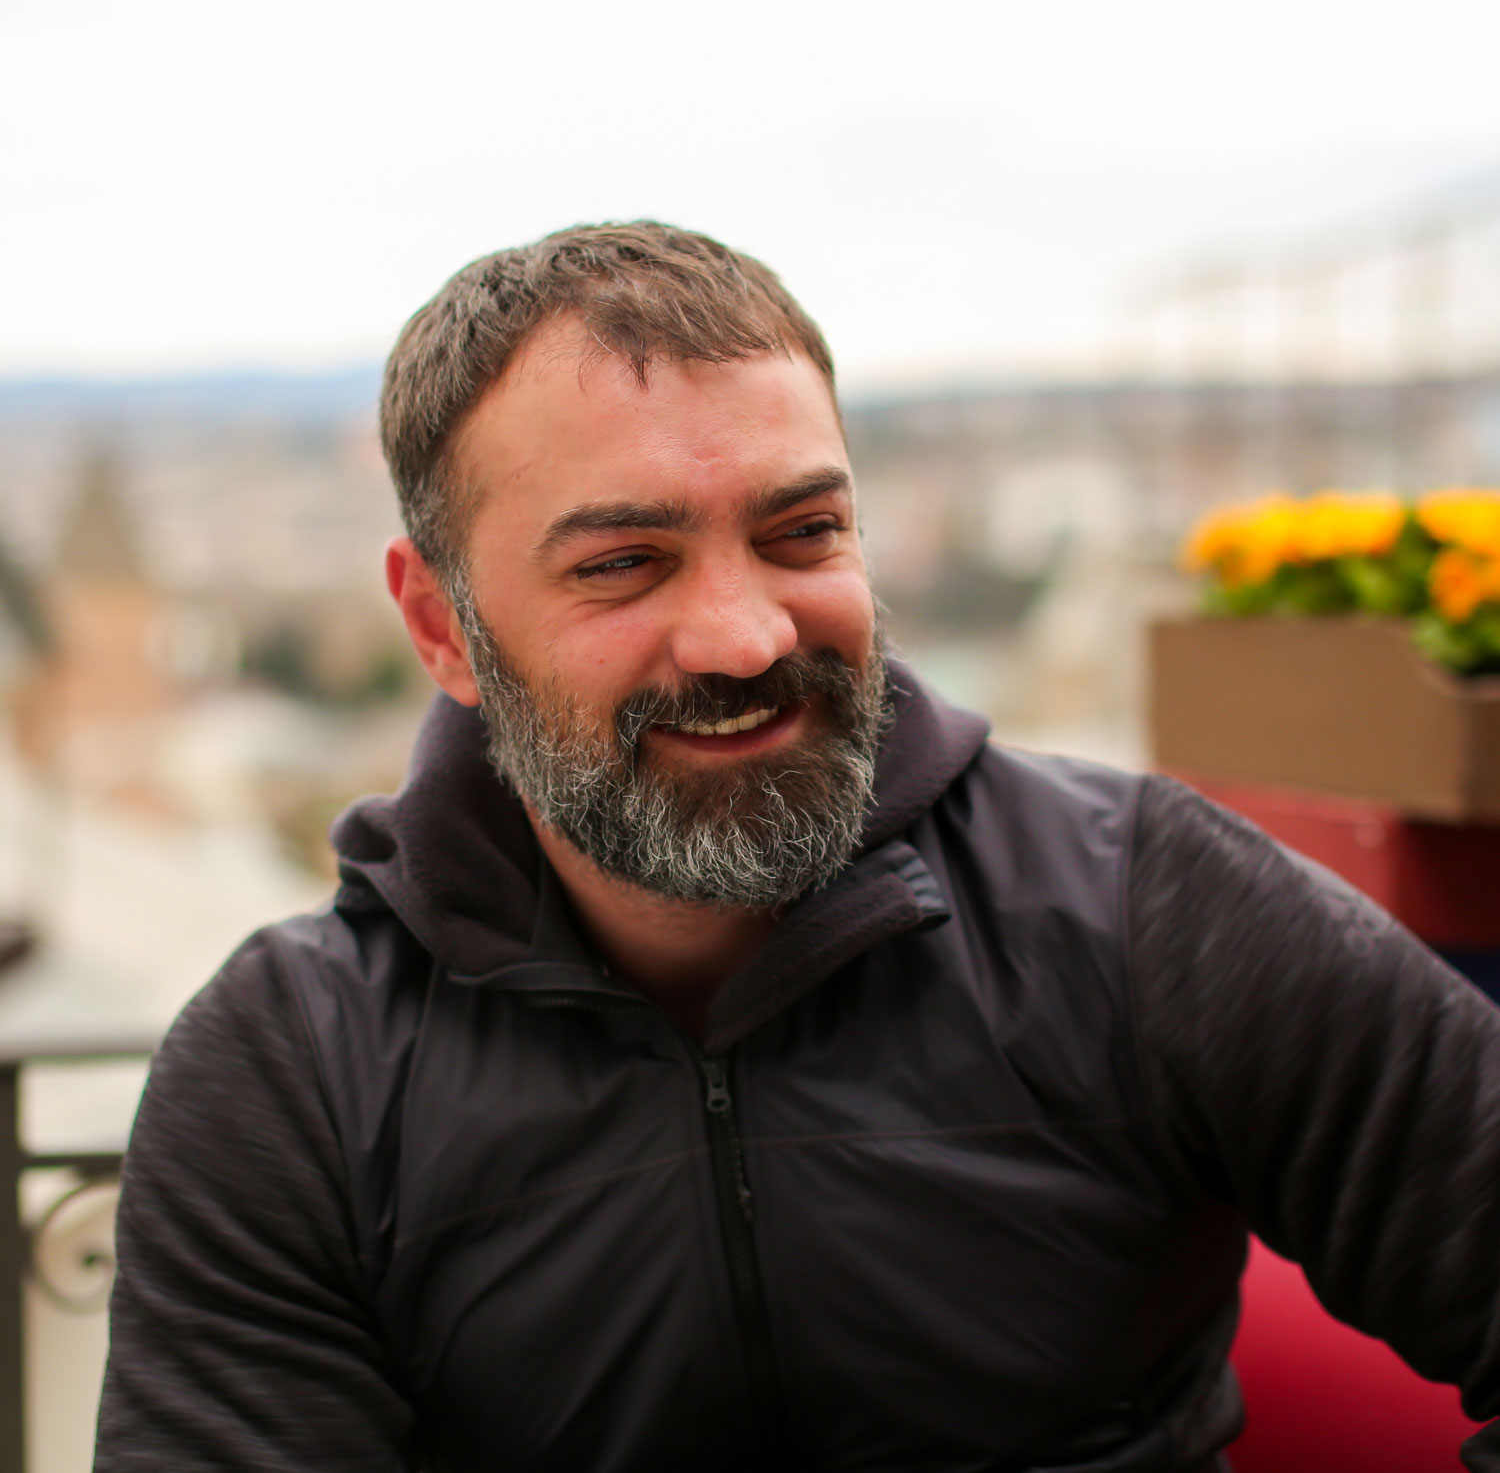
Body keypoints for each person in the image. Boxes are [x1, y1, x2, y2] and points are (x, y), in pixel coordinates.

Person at [94, 222, 1500, 1473]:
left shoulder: (1145, 906)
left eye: (802, 532)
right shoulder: (291, 1073)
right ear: (442, 628)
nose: (745, 635)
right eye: (622, 563)